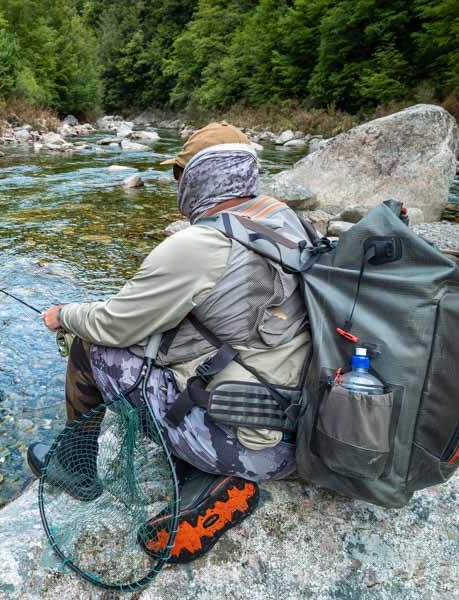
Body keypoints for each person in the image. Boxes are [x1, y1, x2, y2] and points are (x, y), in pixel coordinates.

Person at [27, 122, 312, 564]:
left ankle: (78, 469)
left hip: (255, 450)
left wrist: (61, 316)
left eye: (180, 174)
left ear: (200, 178)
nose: (176, 184)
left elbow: (114, 325)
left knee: (91, 346)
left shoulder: (200, 244)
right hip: (304, 432)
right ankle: (200, 475)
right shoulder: (285, 220)